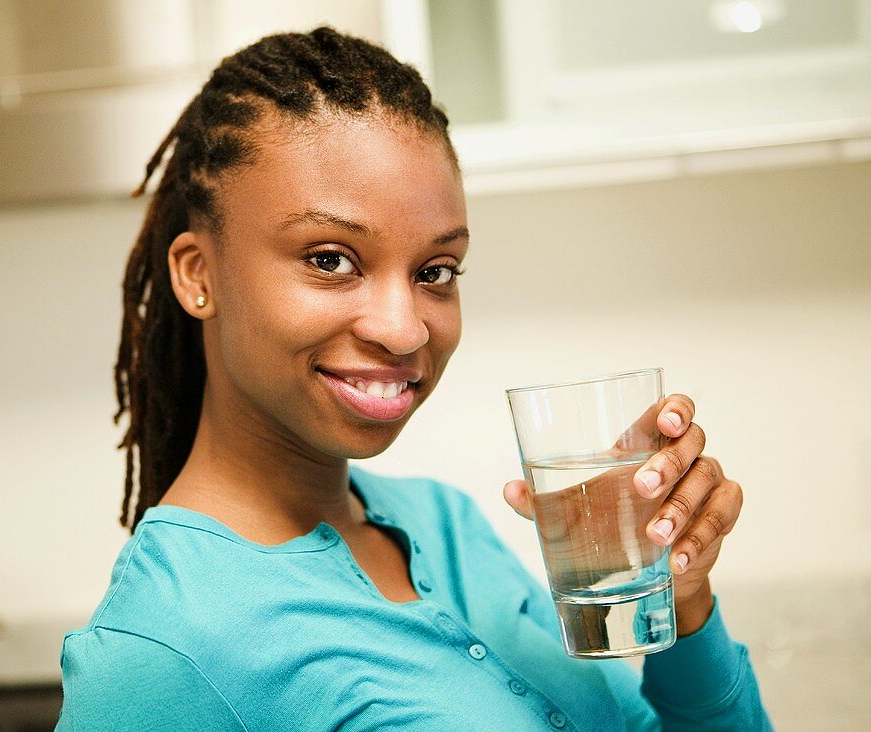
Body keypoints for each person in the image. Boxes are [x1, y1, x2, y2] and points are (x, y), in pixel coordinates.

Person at [56, 26, 772, 731]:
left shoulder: (446, 526)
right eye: (330, 259)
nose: (405, 330)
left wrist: (684, 600)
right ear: (197, 274)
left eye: (435, 272)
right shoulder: (162, 651)